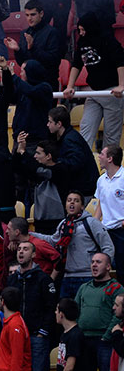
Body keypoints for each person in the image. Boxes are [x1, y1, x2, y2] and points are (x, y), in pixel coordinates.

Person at [35, 190, 114, 299]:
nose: (72, 203)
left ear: (82, 206)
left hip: (88, 276)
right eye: (69, 200)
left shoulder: (92, 223)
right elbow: (53, 240)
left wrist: (104, 269)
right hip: (67, 277)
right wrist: (29, 234)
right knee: (64, 308)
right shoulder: (63, 224)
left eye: (76, 201)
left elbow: (108, 246)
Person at [4, 241, 58, 371]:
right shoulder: (12, 280)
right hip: (17, 335)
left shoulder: (44, 279)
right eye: (19, 249)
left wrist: (43, 331)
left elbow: (51, 307)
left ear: (33, 255)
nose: (21, 252)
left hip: (36, 336)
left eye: (25, 249)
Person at [65, 12, 124, 149]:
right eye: (79, 30)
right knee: (86, 128)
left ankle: (109, 162)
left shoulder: (107, 39)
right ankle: (81, 158)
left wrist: (121, 85)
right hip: (94, 92)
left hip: (111, 92)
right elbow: (76, 64)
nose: (81, 33)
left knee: (111, 135)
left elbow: (120, 62)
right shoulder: (82, 42)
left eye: (83, 30)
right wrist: (69, 86)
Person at [75, 252, 121, 371]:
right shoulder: (84, 287)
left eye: (98, 262)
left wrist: (107, 336)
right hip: (84, 339)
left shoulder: (117, 288)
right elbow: (75, 311)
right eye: (93, 262)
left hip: (104, 341)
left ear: (108, 267)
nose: (94, 265)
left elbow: (119, 314)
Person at [46, 106, 100, 198]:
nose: (47, 125)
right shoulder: (68, 136)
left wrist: (55, 162)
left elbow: (75, 163)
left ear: (59, 124)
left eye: (50, 122)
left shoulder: (70, 140)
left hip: (83, 190)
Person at [96, 146, 124, 276]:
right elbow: (101, 203)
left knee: (122, 268)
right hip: (106, 231)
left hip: (121, 230)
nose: (99, 157)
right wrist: (95, 222)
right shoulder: (101, 180)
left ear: (110, 159)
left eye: (102, 154)